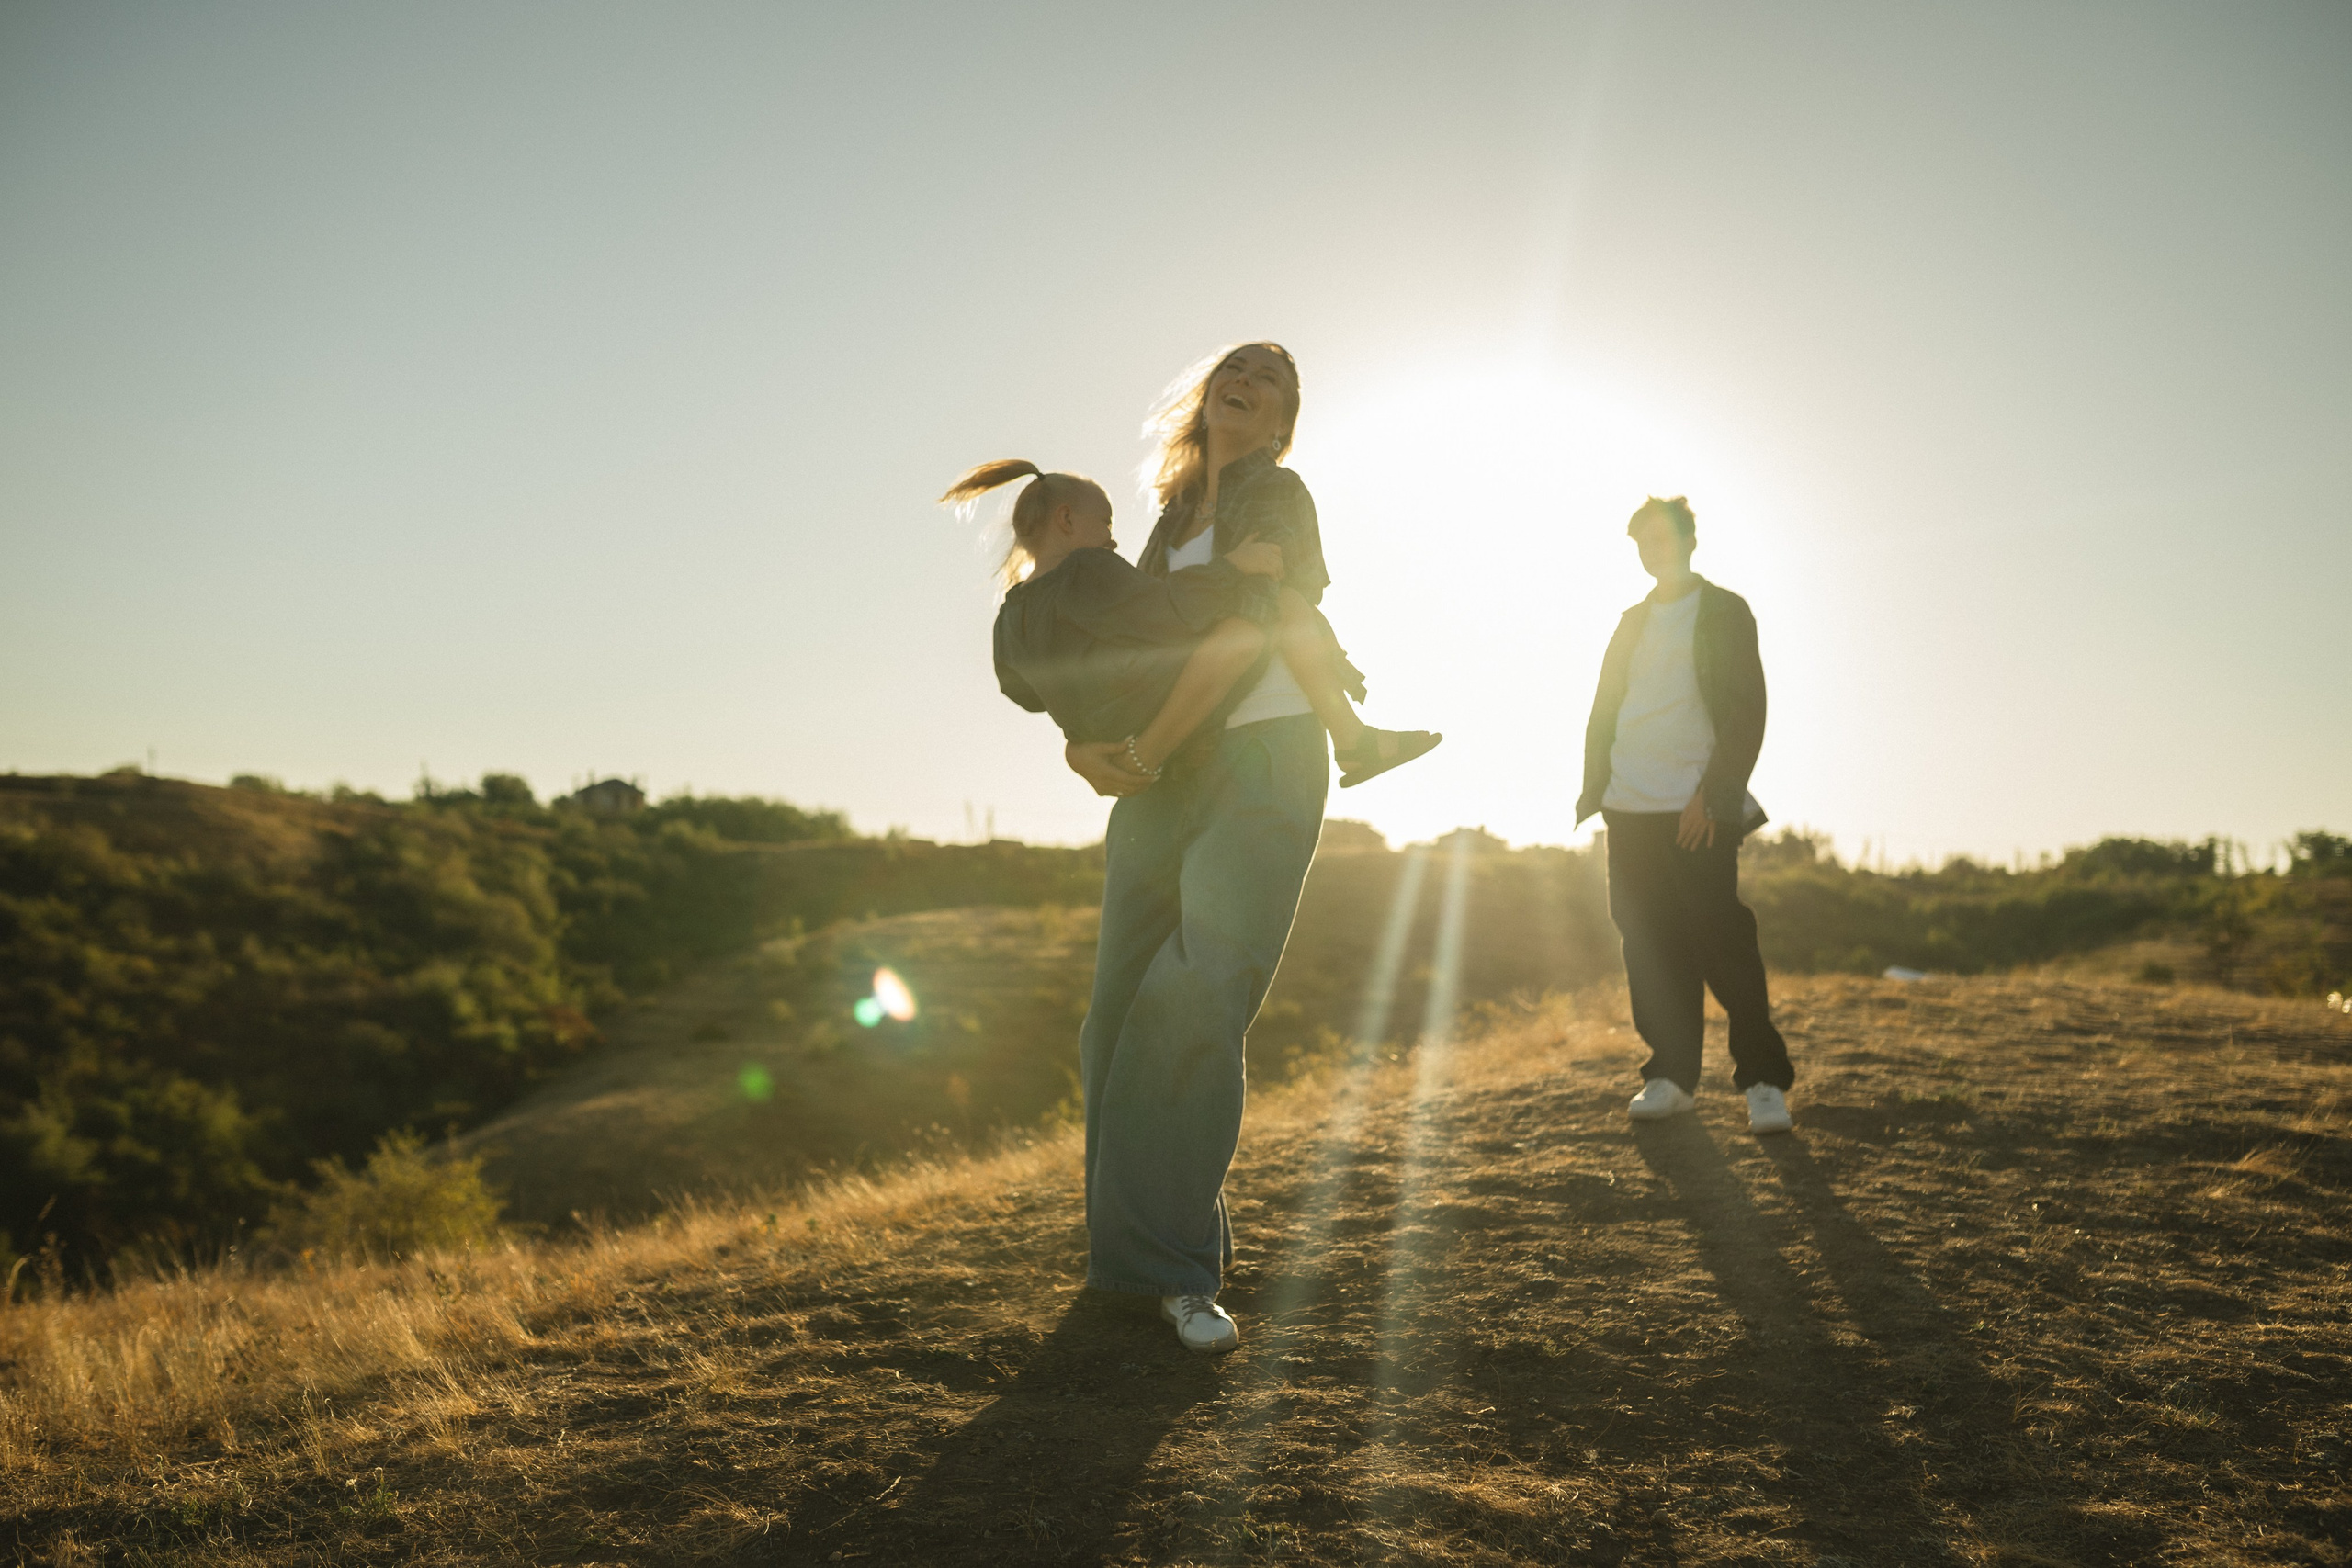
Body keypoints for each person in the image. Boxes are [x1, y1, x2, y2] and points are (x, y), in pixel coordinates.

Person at [1054, 342, 1427, 1354]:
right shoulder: (1169, 521)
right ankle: (1128, 1265)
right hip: (1161, 773)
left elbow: (1262, 619)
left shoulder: (1280, 494)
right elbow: (1127, 649)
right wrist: (1082, 741)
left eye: (1271, 379)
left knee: (1197, 994)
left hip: (1262, 752)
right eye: (1238, 366)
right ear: (1207, 394)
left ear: (1280, 423)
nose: (1249, 379)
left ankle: (1177, 1273)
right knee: (1113, 1015)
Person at [1575, 495, 1795, 1135]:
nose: (1654, 550)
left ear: (1690, 541)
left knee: (1721, 940)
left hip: (1695, 805)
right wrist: (1599, 789)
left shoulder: (1725, 611)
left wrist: (1714, 792)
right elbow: (1606, 709)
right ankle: (1670, 1077)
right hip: (1629, 803)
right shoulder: (1631, 622)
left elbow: (1747, 708)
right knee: (1648, 943)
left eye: (1664, 538)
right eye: (1643, 542)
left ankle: (1762, 1080)